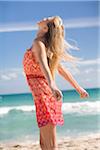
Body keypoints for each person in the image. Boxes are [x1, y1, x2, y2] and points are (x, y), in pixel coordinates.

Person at [22, 16, 89, 150]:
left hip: (45, 94)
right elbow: (61, 69)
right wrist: (78, 88)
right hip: (43, 94)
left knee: (50, 145)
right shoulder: (43, 45)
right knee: (44, 144)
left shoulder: (38, 44)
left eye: (47, 19)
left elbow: (44, 66)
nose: (44, 17)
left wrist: (52, 85)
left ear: (46, 28)